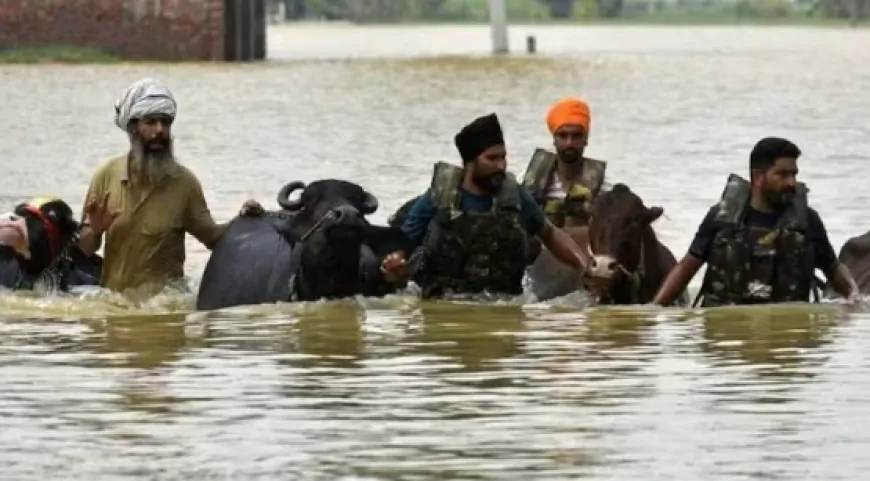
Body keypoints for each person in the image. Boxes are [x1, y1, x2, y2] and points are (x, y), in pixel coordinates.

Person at [78, 78, 262, 297]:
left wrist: (244, 222)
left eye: (165, 122)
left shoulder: (184, 183)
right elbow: (84, 249)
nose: (160, 130)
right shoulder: (106, 176)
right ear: (133, 128)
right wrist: (95, 230)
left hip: (167, 308)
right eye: (151, 122)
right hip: (116, 305)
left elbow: (213, 238)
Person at [379, 113, 592, 299]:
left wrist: (583, 267)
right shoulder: (438, 198)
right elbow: (401, 244)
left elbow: (550, 234)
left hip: (504, 301)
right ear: (470, 163)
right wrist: (394, 265)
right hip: (444, 302)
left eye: (503, 157)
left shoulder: (515, 196)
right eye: (492, 158)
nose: (501, 165)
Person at [652, 137, 859, 307]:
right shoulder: (721, 218)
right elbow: (688, 265)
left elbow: (833, 268)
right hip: (729, 334)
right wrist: (655, 309)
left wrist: (856, 303)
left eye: (794, 174)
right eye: (782, 174)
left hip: (788, 332)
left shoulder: (807, 221)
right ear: (758, 177)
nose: (791, 182)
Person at [521, 97, 609, 228]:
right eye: (563, 136)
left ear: (586, 139)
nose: (569, 143)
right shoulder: (527, 180)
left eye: (576, 136)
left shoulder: (604, 188)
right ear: (554, 139)